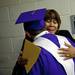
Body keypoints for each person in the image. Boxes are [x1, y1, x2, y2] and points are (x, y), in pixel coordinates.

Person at [12, 8, 75, 75]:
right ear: (43, 24)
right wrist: (20, 64)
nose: (52, 25)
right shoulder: (29, 44)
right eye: (48, 21)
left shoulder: (65, 35)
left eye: (55, 22)